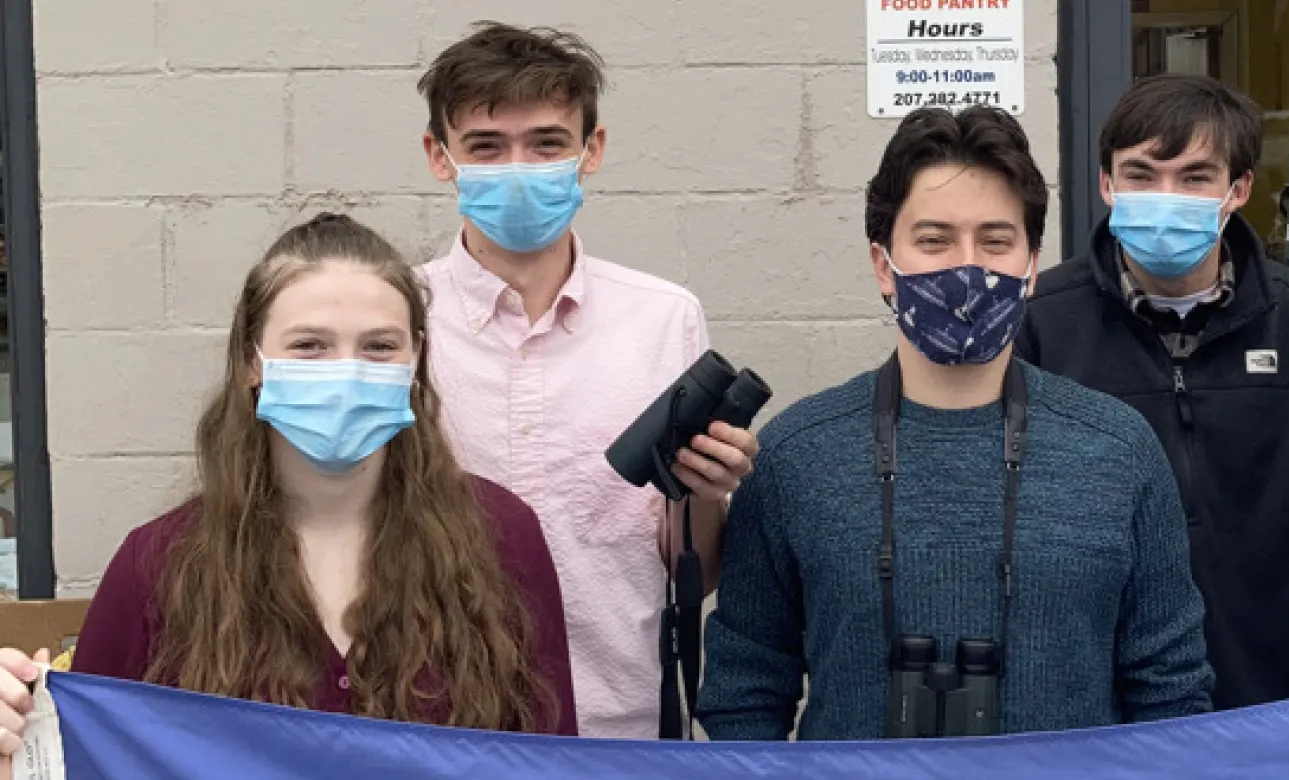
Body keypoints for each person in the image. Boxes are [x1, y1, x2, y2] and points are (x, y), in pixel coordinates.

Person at [695, 105, 1212, 741]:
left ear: (1030, 268)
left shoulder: (1118, 449)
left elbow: (1171, 692)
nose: (968, 268)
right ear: (884, 265)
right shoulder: (796, 454)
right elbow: (744, 690)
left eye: (996, 241)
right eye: (934, 240)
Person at [0, 214, 577, 772]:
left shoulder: (502, 536)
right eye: (309, 346)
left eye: (379, 346)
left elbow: (555, 759)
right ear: (253, 362)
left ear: (415, 360)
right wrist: (14, 733)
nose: (346, 372)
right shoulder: (159, 563)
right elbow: (81, 755)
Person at [1014, 73, 1289, 709]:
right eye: (1141, 175)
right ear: (1107, 186)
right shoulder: (1043, 323)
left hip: (1280, 690)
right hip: (1101, 700)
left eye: (1195, 177)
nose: (1166, 196)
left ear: (1238, 190)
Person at [415, 22, 759, 739]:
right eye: (486, 146)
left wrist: (704, 493)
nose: (519, 167)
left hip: (618, 722)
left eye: (546, 143)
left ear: (591, 150)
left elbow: (695, 566)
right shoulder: (397, 321)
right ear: (438, 157)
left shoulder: (665, 319)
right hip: (432, 723)